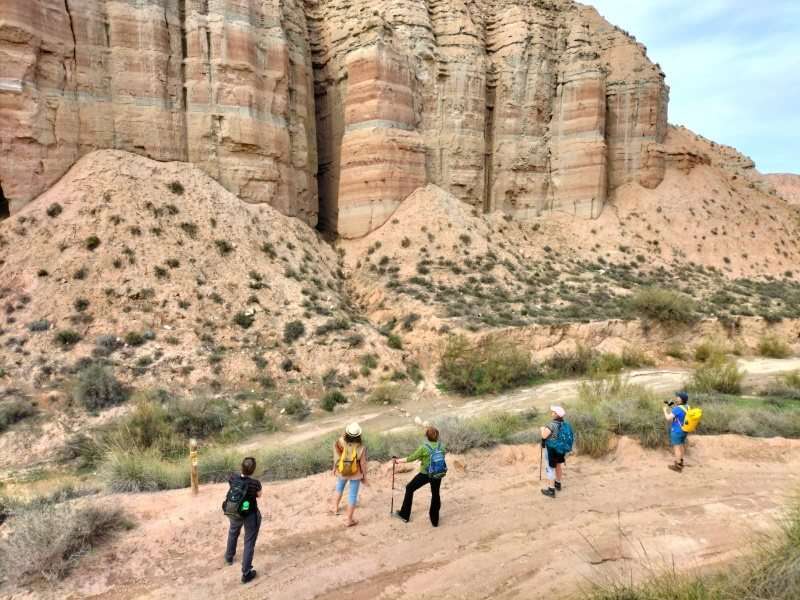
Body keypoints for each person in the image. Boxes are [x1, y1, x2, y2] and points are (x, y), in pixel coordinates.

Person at [393, 426, 445, 527]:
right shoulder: (441, 446)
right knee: (435, 494)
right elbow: (440, 457)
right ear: (437, 436)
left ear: (427, 437)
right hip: (437, 473)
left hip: (425, 474)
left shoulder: (424, 447)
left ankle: (404, 515)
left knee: (410, 488)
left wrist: (398, 461)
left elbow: (411, 458)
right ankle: (435, 521)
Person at [224, 456, 262, 584]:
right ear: (253, 470)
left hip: (234, 512)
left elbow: (231, 484)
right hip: (250, 514)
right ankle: (246, 573)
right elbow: (259, 495)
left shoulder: (233, 478)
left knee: (233, 532)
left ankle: (229, 557)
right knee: (249, 541)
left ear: (241, 466)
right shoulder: (255, 483)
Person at [331, 422, 368, 527]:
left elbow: (336, 457)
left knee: (339, 488)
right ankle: (349, 520)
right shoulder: (361, 447)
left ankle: (334, 507)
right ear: (358, 435)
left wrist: (334, 468)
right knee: (352, 495)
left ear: (347, 433)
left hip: (342, 471)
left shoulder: (340, 442)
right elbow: (363, 463)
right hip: (355, 473)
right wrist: (364, 476)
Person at [540, 405, 569, 498]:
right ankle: (558, 484)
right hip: (560, 449)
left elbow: (544, 436)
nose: (551, 413)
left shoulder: (552, 424)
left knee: (550, 468)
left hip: (552, 449)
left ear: (556, 414)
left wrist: (542, 429)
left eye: (553, 412)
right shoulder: (563, 424)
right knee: (558, 465)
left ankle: (551, 490)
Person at [664, 391, 689, 472]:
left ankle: (678, 466)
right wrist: (671, 405)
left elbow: (668, 418)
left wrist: (664, 410)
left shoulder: (677, 409)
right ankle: (681, 461)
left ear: (681, 399)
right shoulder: (687, 406)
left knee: (676, 448)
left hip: (676, 431)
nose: (676, 397)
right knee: (681, 445)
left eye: (678, 397)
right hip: (684, 430)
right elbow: (679, 413)